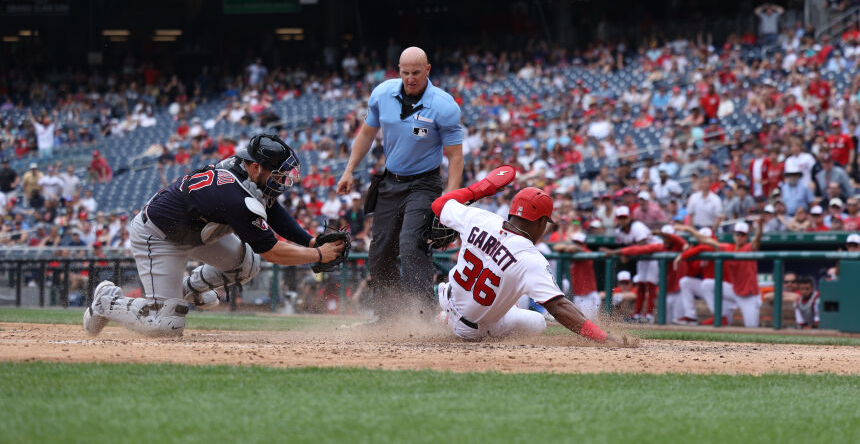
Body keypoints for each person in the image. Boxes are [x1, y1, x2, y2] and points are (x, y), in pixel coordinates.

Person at [83, 134, 349, 337]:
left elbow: (273, 211)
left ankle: (185, 291)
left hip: (194, 232)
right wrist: (316, 254)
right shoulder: (234, 195)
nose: (281, 181)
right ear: (255, 167)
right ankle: (107, 301)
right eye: (276, 174)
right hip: (159, 236)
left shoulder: (246, 175)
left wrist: (310, 241)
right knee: (166, 325)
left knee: (247, 264)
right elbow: (270, 250)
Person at [335, 46, 464, 318]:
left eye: (416, 72)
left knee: (410, 243)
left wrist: (450, 199)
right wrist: (349, 170)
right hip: (390, 182)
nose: (410, 78)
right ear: (398, 70)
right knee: (380, 250)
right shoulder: (382, 94)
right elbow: (366, 133)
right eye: (405, 73)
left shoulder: (444, 105)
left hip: (424, 184)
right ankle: (388, 317)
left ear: (428, 70)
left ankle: (422, 316)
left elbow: (455, 157)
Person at [431, 166, 623, 344]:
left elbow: (440, 204)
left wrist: (481, 189)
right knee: (538, 321)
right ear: (541, 222)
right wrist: (603, 338)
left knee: (506, 300)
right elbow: (559, 307)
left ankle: (445, 317)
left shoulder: (479, 217)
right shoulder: (531, 258)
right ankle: (467, 328)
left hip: (448, 299)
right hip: (470, 331)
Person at [551, 231, 602, 320]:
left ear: (584, 244)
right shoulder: (570, 252)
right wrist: (567, 246)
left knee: (588, 324)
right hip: (578, 296)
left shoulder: (587, 252)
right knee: (580, 326)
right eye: (575, 242)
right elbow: (556, 247)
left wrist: (572, 247)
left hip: (589, 296)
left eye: (579, 243)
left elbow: (574, 248)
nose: (577, 244)